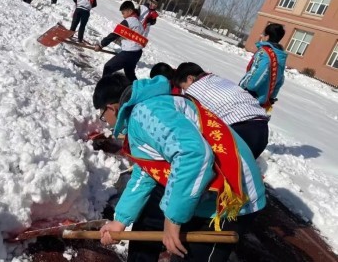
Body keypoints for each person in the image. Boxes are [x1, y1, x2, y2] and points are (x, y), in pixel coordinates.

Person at [93, 73, 266, 262]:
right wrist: (121, 220)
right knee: (179, 250)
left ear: (111, 107)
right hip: (208, 190)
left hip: (231, 196)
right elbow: (147, 171)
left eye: (103, 115)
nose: (105, 120)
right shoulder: (150, 107)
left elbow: (193, 155)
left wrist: (172, 219)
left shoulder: (145, 114)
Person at [174, 62, 270, 159]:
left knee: (221, 167)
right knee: (242, 169)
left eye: (183, 87)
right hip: (262, 128)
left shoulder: (193, 90)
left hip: (241, 130)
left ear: (190, 78)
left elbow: (189, 120)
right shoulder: (216, 78)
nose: (184, 90)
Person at [239, 23, 287, 110]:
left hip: (249, 97)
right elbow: (280, 79)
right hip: (263, 101)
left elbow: (261, 72)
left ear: (267, 36)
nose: (262, 36)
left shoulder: (264, 53)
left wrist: (247, 87)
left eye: (263, 34)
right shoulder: (280, 55)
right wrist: (271, 97)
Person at [94, 0, 145, 81]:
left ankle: (104, 90)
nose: (123, 16)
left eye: (123, 13)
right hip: (137, 53)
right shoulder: (140, 24)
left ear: (130, 11)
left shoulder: (128, 21)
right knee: (129, 74)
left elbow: (114, 34)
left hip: (128, 53)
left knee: (108, 68)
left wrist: (101, 45)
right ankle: (137, 90)